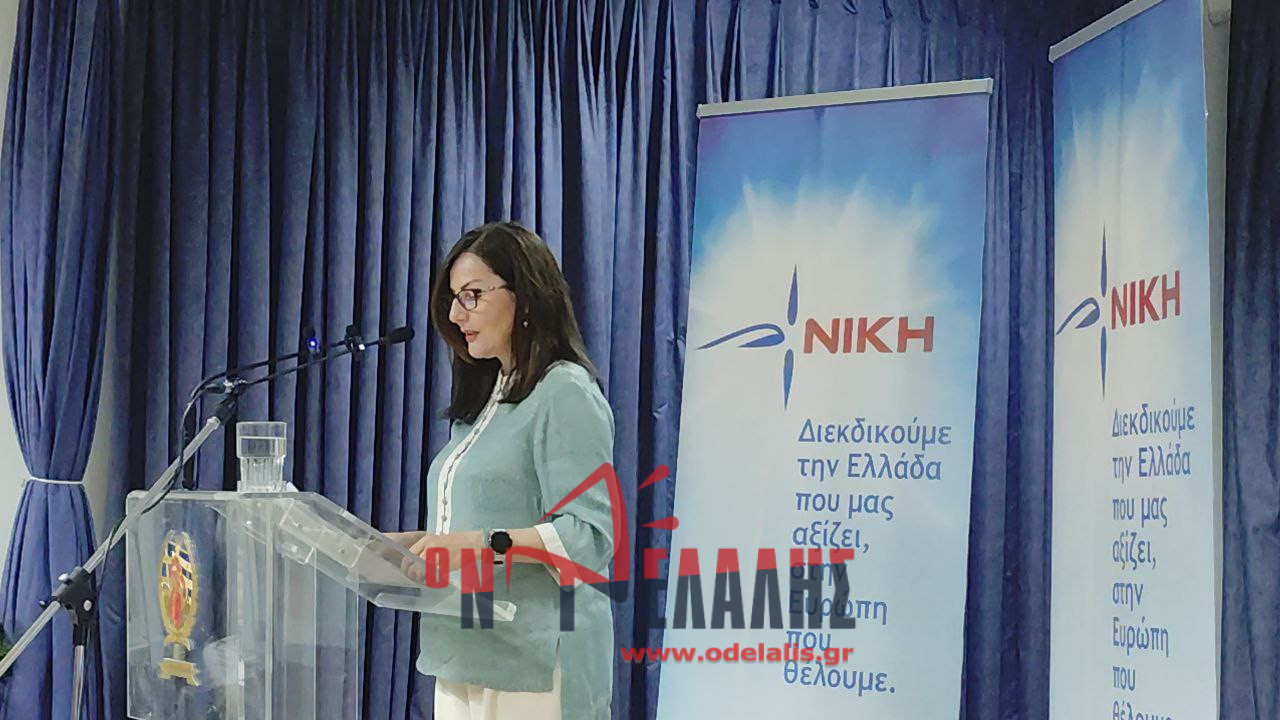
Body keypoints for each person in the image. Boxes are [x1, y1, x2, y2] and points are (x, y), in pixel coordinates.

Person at [392, 221, 617, 720]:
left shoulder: (565, 393)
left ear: (526, 297)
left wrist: (477, 544)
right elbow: (477, 522)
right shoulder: (486, 400)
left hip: (534, 660)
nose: (456, 314)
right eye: (453, 299)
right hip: (462, 650)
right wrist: (415, 545)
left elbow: (590, 537)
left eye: (472, 296)